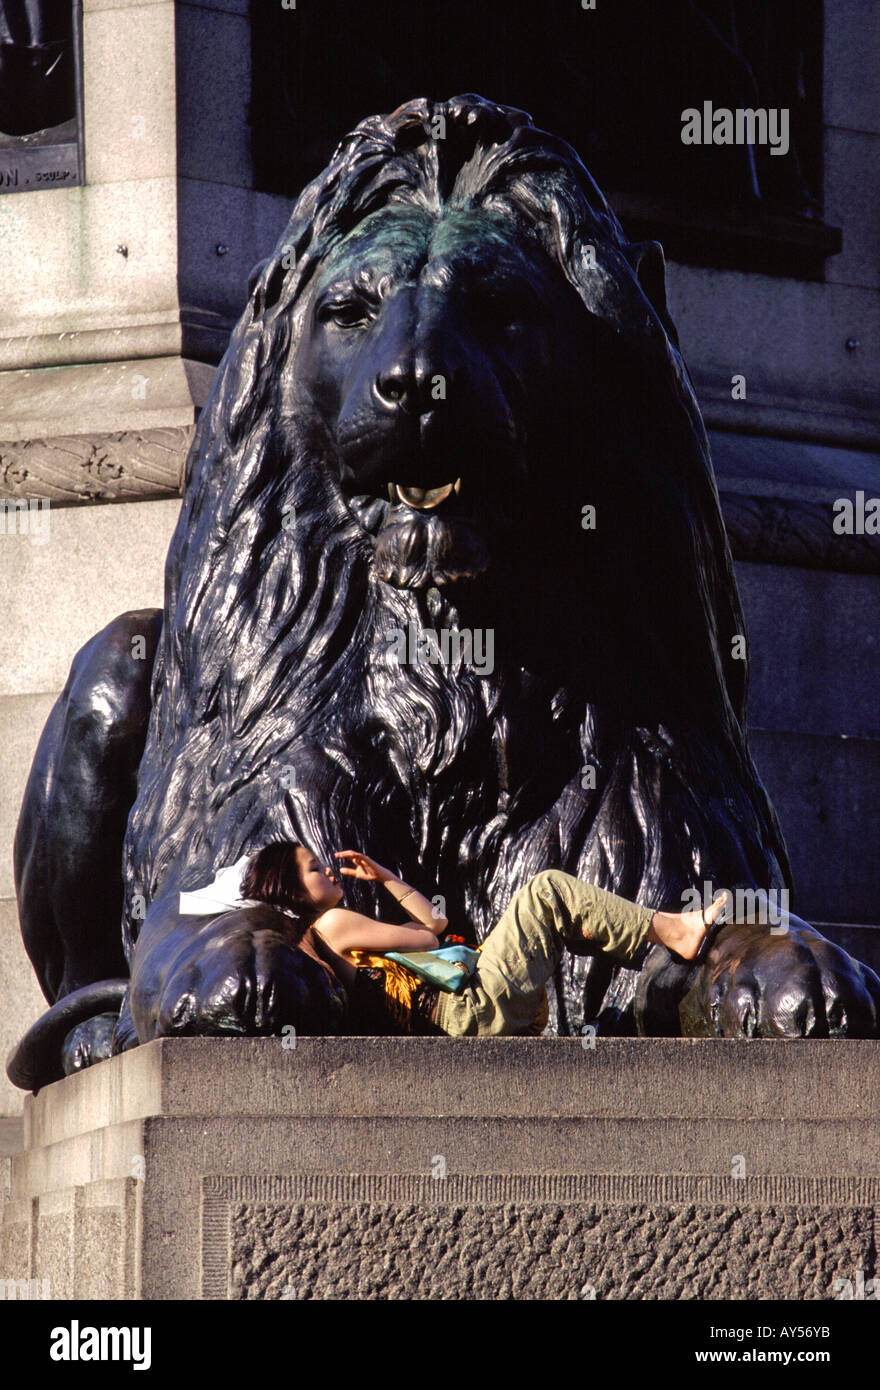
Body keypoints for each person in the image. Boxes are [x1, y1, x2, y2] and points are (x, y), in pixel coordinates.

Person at [181, 842, 728, 1037]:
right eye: (311, 868)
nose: (327, 869)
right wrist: (390, 881)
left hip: (466, 1015)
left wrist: (384, 876)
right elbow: (429, 932)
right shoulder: (331, 928)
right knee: (547, 889)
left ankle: (654, 940)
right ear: (290, 889)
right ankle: (675, 933)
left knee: (561, 911)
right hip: (465, 1012)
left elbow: (435, 929)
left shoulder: (326, 939)